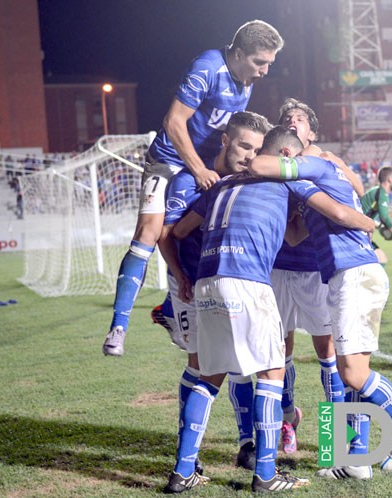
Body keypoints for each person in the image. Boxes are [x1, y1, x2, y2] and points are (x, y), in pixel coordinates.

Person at [161, 127, 375, 492]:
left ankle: (183, 472)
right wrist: (372, 226)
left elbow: (179, 231)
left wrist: (185, 274)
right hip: (251, 280)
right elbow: (338, 211)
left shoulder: (221, 185)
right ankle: (266, 473)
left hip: (208, 281)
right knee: (275, 373)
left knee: (209, 376)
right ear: (286, 156)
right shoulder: (288, 182)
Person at [249, 128, 392, 481]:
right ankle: (354, 460)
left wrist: (366, 222)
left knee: (352, 374)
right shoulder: (310, 181)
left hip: (353, 276)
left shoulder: (312, 167)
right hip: (346, 276)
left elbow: (258, 166)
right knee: (352, 374)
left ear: (288, 153)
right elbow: (297, 234)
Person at [102, 20, 284, 356]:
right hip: (170, 160)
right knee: (149, 232)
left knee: (204, 231)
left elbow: (231, 134)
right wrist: (199, 168)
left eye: (269, 63)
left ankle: (171, 309)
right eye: (260, 62)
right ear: (239, 53)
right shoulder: (208, 68)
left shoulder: (245, 82)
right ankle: (118, 327)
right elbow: (173, 122)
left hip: (200, 166)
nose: (264, 71)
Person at [157, 111, 271, 492]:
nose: (249, 155)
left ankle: (244, 446)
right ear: (225, 141)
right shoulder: (193, 180)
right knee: (203, 366)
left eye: (256, 149)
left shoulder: (241, 181)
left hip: (214, 280)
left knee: (233, 365)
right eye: (243, 145)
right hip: (192, 282)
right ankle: (190, 456)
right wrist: (181, 277)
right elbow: (166, 234)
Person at [270, 98, 362, 454]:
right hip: (277, 266)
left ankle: (333, 434)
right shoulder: (275, 162)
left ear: (311, 130)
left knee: (327, 351)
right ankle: (288, 418)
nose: (293, 122)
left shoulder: (323, 161)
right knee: (280, 350)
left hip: (313, 267)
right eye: (287, 118)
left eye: (300, 118)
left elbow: (357, 190)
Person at [360, 165, 392, 265]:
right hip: (358, 232)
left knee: (379, 258)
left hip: (358, 230)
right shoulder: (381, 193)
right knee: (381, 259)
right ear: (390, 179)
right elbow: (384, 216)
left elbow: (366, 213)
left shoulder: (376, 191)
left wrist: (379, 226)